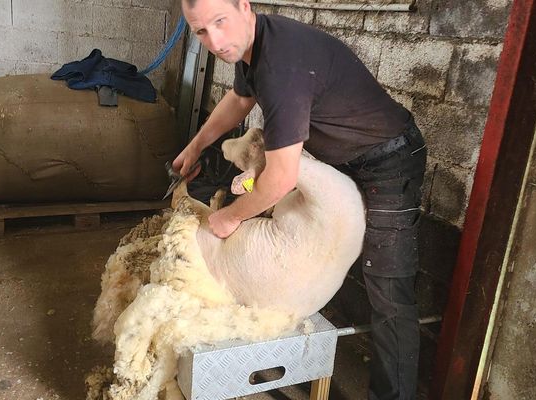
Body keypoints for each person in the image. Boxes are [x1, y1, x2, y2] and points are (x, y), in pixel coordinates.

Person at [173, 0, 427, 398]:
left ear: (244, 6)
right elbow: (240, 100)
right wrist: (196, 145)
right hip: (341, 154)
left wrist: (230, 218)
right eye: (201, 31)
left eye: (220, 22)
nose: (216, 41)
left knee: (388, 286)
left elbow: (282, 176)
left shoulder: (280, 68)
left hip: (388, 158)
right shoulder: (252, 44)